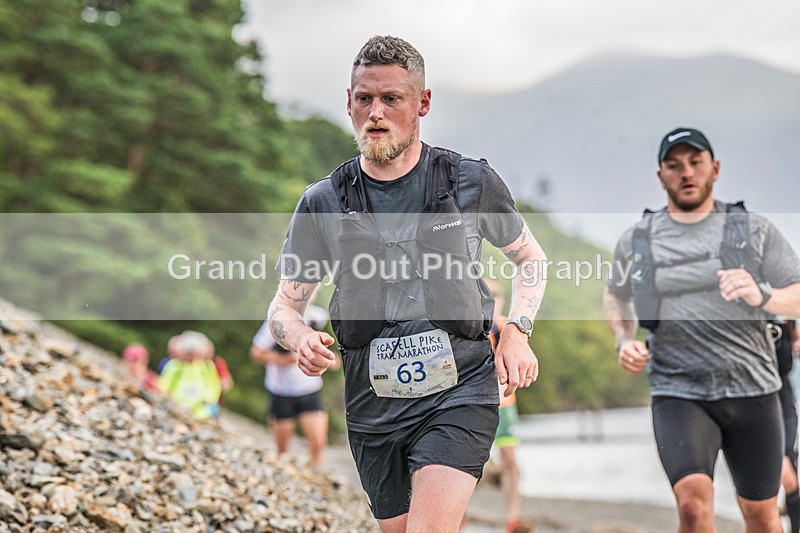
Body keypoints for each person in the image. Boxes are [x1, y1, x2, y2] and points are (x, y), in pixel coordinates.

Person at [266, 35, 547, 532]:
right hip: (372, 405)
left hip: (460, 389)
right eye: (364, 98)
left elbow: (530, 259)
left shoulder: (470, 182)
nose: (375, 113)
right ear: (348, 102)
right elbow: (283, 309)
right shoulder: (323, 202)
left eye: (391, 98)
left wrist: (518, 332)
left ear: (423, 103)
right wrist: (301, 337)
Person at [603, 127, 800, 532]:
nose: (686, 172)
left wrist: (762, 294)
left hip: (754, 390)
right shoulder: (638, 239)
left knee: (762, 517)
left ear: (716, 169)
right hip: (678, 390)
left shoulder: (755, 230)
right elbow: (616, 296)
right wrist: (623, 340)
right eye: (674, 165)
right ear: (661, 176)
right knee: (692, 507)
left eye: (696, 162)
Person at [250, 301, 337, 466]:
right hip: (281, 391)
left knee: (318, 444)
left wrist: (330, 359)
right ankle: (285, 475)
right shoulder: (276, 320)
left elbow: (329, 345)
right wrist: (284, 360)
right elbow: (256, 353)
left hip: (310, 389)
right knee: (283, 449)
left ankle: (314, 476)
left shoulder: (319, 316)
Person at [485, 281, 532, 533]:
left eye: (496, 295)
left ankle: (512, 519)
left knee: (510, 460)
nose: (492, 300)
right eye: (487, 295)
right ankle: (457, 516)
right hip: (475, 404)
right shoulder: (468, 326)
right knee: (464, 461)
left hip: (504, 404)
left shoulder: (507, 327)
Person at [158, 330, 224, 420]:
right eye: (189, 353)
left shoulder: (206, 367)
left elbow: (214, 386)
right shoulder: (174, 365)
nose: (192, 357)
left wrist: (208, 399)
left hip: (200, 411)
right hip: (176, 407)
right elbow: (163, 384)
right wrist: (168, 397)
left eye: (195, 353)